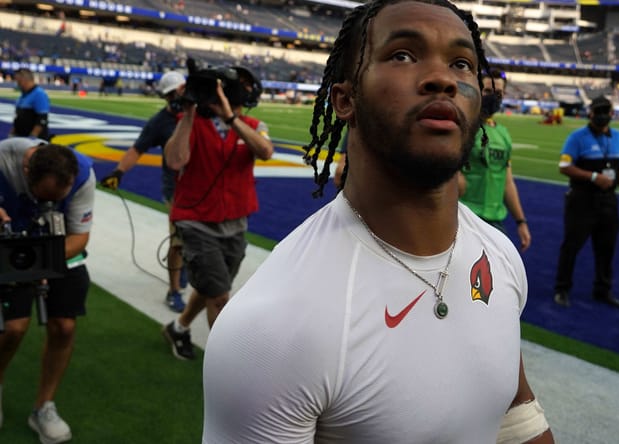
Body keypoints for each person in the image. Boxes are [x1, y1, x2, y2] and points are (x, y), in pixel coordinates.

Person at [202, 2, 554, 443]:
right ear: (345, 100)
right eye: (403, 55)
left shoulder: (499, 256)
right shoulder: (273, 328)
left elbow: (515, 416)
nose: (443, 78)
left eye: (462, 63)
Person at [161, 66, 273, 360]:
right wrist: (188, 112)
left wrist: (230, 119)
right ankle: (225, 363)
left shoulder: (251, 124)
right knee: (221, 297)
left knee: (215, 287)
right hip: (196, 221)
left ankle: (179, 327)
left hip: (235, 221)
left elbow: (265, 151)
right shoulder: (192, 123)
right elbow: (175, 161)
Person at [0, 138, 95, 444]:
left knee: (64, 325)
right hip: (8, 245)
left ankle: (44, 405)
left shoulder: (82, 175)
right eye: (45, 196)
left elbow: (79, 237)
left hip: (57, 248)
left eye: (59, 197)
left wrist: (41, 266)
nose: (52, 203)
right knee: (12, 329)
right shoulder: (4, 160)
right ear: (27, 173)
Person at [99, 71, 189, 313]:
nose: (175, 97)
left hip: (202, 186)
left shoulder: (199, 114)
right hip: (176, 189)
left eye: (177, 91)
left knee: (196, 240)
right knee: (178, 241)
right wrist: (118, 173)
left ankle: (184, 267)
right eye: (170, 94)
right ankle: (173, 291)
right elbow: (137, 149)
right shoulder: (160, 122)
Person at [553, 95, 619, 309]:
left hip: (608, 200)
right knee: (571, 246)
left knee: (606, 248)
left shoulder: (618, 137)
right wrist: (593, 177)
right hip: (582, 199)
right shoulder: (577, 137)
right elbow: (564, 166)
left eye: (605, 111)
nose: (601, 116)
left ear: (612, 114)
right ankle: (562, 288)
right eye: (597, 111)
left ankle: (603, 290)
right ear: (590, 113)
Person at [458, 68, 531, 251]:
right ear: (476, 88)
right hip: (463, 219)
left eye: (498, 93)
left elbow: (507, 182)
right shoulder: (460, 128)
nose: (494, 97)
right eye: (488, 91)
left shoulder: (503, 134)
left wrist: (520, 221)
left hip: (495, 224)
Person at [9, 68, 50, 140]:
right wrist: (13, 132)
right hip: (21, 136)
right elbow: (18, 116)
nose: (17, 83)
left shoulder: (39, 94)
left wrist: (33, 137)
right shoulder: (23, 95)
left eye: (18, 80)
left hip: (33, 140)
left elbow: (42, 118)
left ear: (24, 80)